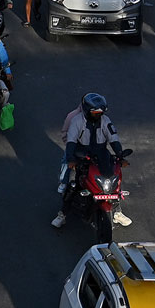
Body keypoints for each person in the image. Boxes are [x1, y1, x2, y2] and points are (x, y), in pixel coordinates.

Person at [54, 92, 129, 229]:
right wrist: (71, 159)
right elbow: (71, 141)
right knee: (75, 185)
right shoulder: (76, 121)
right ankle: (62, 214)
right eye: (95, 113)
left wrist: (120, 156)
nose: (98, 116)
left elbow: (113, 139)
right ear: (87, 111)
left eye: (100, 113)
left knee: (114, 181)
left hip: (102, 154)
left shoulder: (106, 121)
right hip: (82, 154)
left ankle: (117, 212)